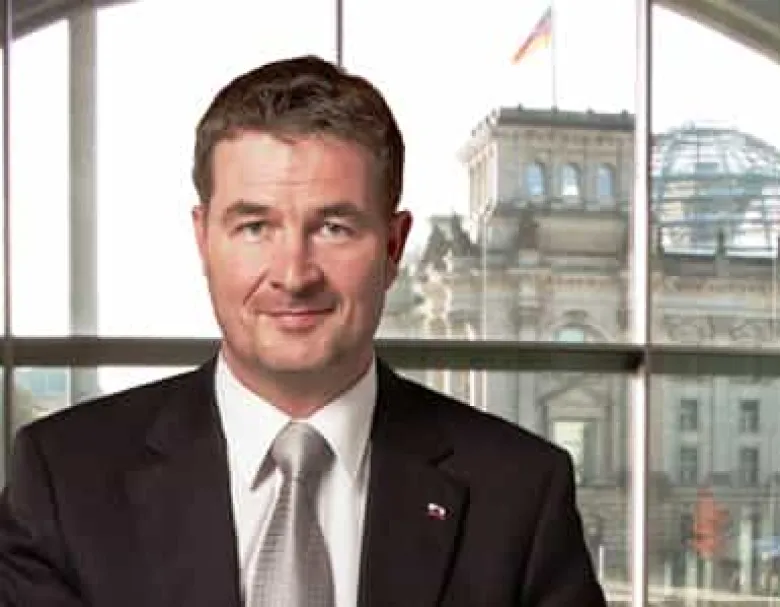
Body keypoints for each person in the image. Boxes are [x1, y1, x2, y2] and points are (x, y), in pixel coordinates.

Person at [0, 55, 607, 607]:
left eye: (334, 228)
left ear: (393, 246)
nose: (293, 275)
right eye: (254, 227)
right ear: (203, 240)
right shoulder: (65, 480)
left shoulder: (520, 494)